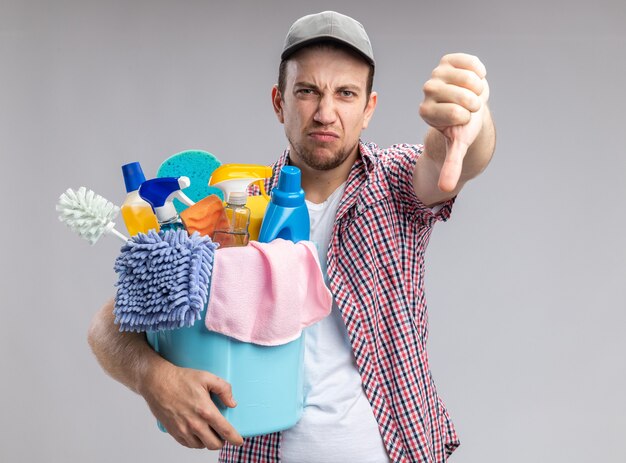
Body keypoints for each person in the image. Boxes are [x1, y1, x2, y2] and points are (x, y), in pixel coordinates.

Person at [88, 10, 495, 463]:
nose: (325, 113)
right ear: (279, 102)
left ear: (368, 109)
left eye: (345, 93)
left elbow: (453, 160)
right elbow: (109, 325)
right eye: (307, 91)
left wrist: (469, 120)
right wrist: (153, 378)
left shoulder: (395, 184)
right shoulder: (233, 210)